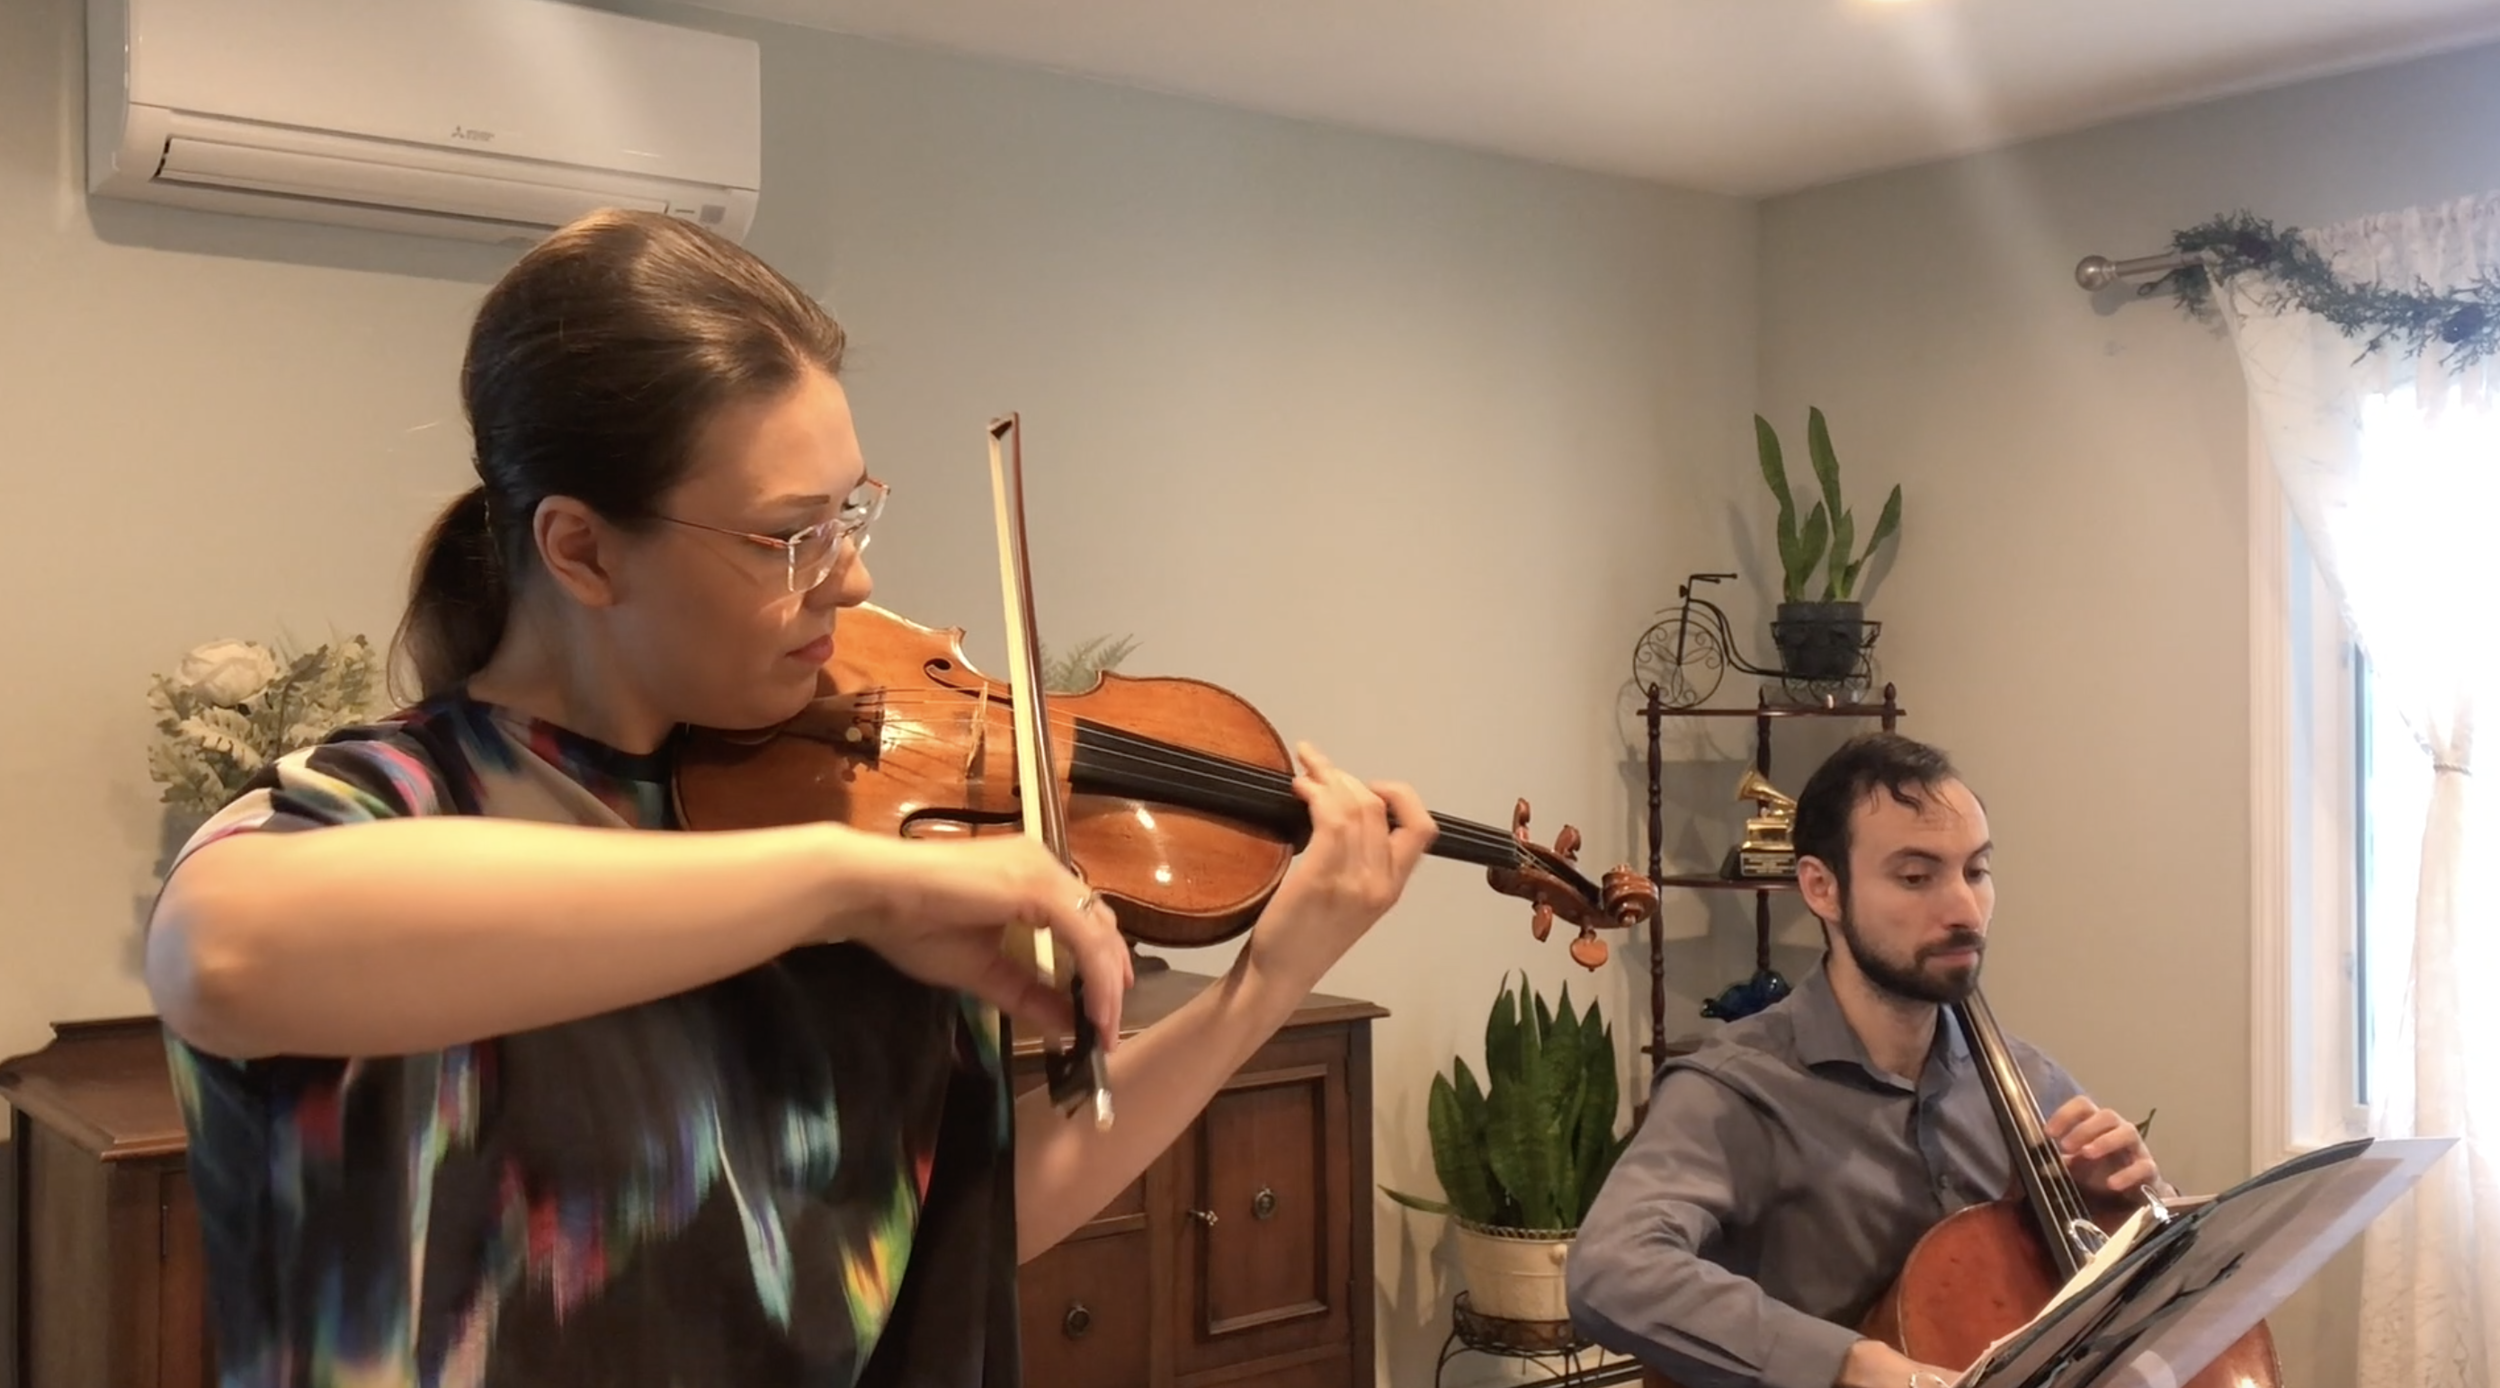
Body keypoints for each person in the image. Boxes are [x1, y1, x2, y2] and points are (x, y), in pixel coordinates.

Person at [141, 208, 1437, 1388]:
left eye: (850, 512)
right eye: (788, 535)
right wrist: (844, 887)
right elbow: (221, 949)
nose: (853, 579)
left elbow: (958, 1220)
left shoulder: (845, 804)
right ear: (582, 549)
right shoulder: (403, 803)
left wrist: (1264, 985)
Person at [1564, 732, 2168, 1388]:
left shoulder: (2031, 1082)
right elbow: (1610, 1270)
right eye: (1916, 877)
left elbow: (2131, 1290)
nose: (1965, 910)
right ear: (1822, 888)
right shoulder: (1738, 1090)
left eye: (1976, 871)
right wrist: (1852, 1363)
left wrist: (2133, 1210)